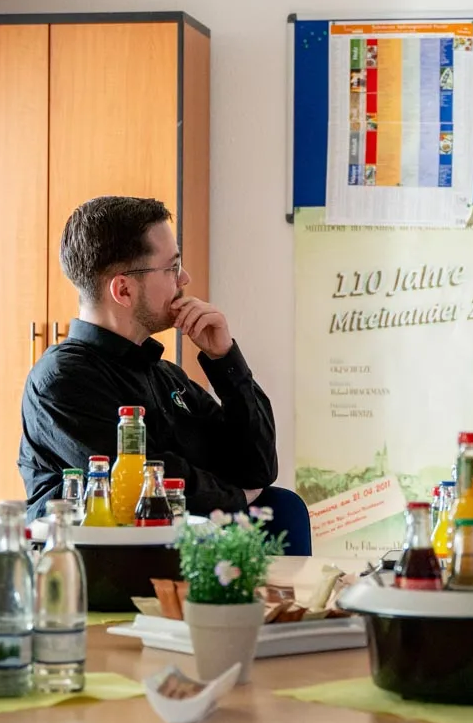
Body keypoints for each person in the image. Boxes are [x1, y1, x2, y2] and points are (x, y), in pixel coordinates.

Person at [19, 196, 310, 552]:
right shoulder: (62, 380)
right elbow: (150, 484)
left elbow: (258, 468)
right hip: (108, 576)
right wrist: (237, 497)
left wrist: (223, 359)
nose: (184, 279)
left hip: (181, 559)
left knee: (282, 507)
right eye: (172, 268)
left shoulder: (165, 376)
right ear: (123, 289)